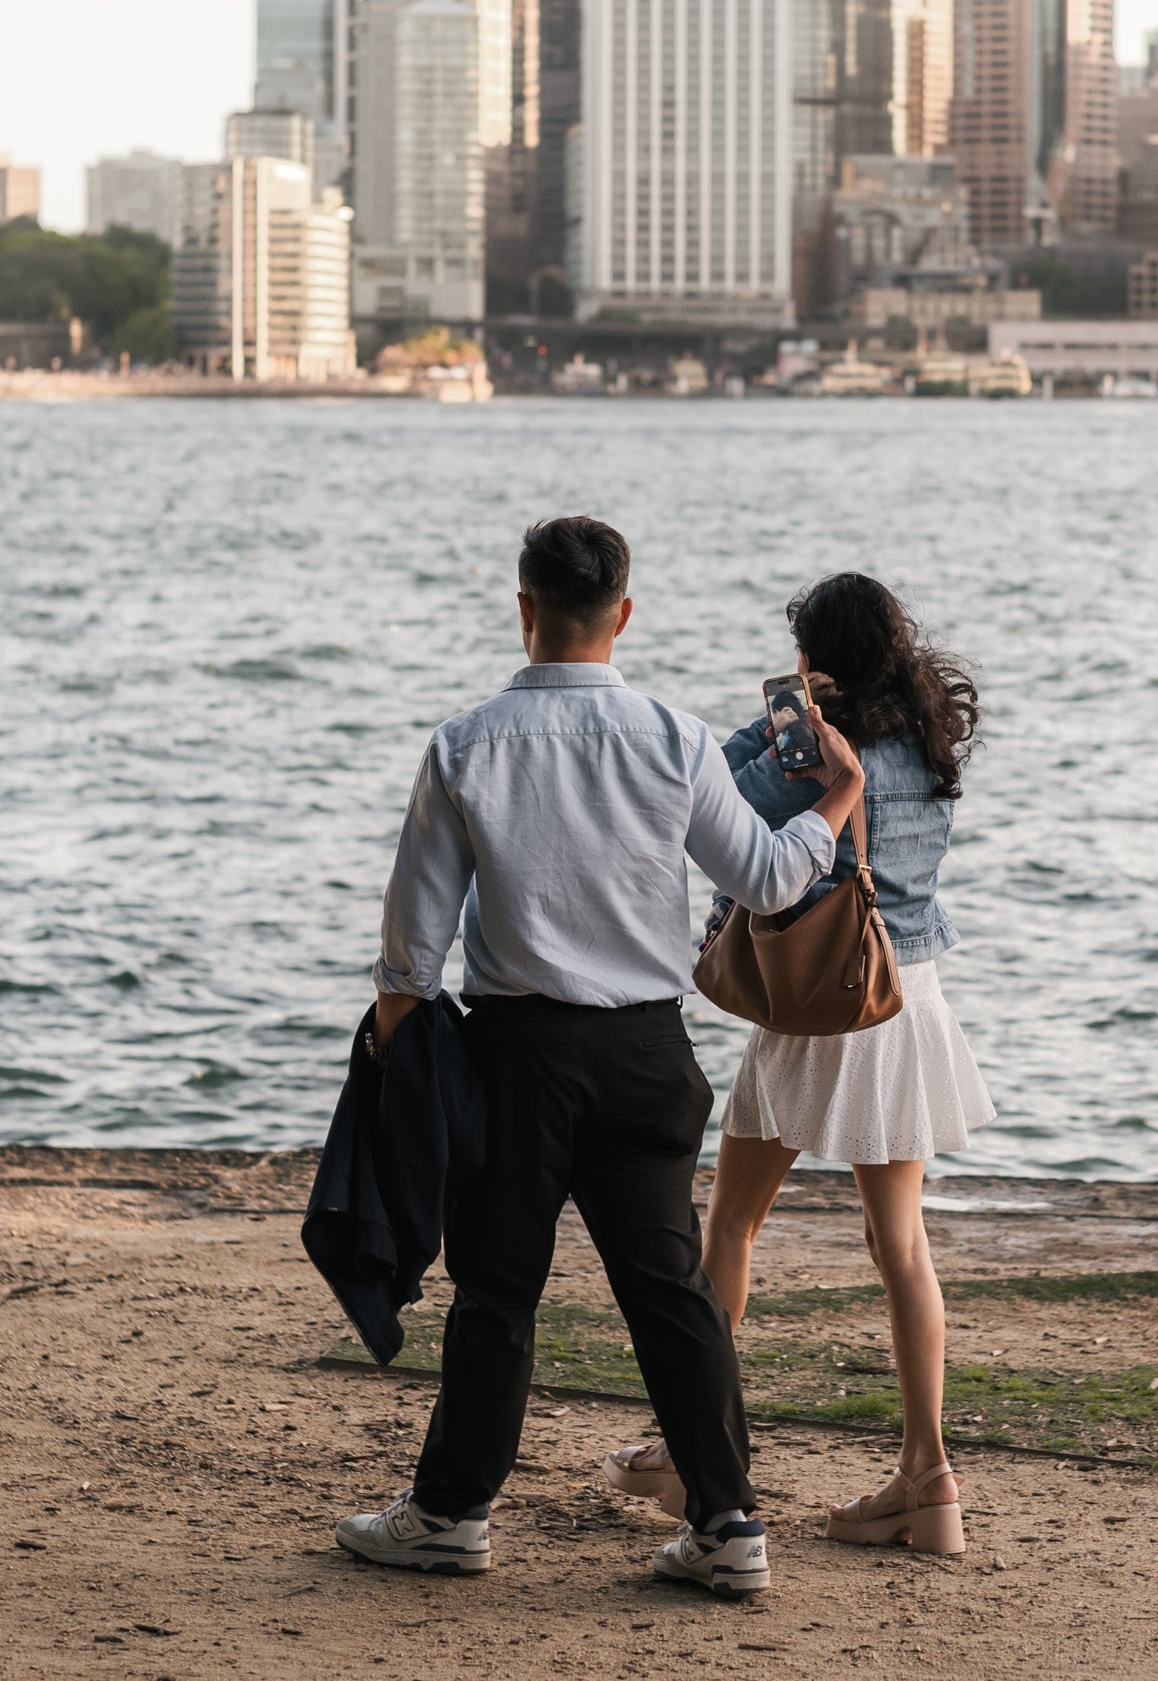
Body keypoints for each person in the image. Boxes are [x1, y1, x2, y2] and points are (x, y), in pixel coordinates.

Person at [335, 515, 866, 1600]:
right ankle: (727, 1523)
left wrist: (400, 1076)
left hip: (515, 1056)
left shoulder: (465, 744)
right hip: (643, 1050)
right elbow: (769, 881)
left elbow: (410, 958)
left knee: (497, 1291)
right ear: (621, 613)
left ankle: (451, 1514)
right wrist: (838, 796)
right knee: (670, 1289)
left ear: (523, 609)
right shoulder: (674, 737)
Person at [601, 572, 991, 1553]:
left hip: (821, 1002)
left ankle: (688, 1448)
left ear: (818, 659)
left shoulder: (809, 750)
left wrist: (779, 715)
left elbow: (710, 804)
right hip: (906, 992)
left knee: (732, 1223)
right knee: (901, 1244)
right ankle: (928, 1476)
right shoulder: (929, 739)